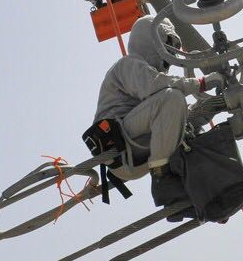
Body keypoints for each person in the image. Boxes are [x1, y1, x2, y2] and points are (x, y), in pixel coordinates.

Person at [93, 15, 224, 181]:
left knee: (182, 117)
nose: (170, 53)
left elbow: (169, 116)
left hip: (137, 152)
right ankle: (163, 175)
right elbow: (155, 85)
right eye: (168, 44)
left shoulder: (156, 93)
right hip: (118, 142)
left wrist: (210, 107)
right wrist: (202, 83)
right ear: (153, 40)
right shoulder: (128, 65)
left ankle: (180, 175)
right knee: (172, 98)